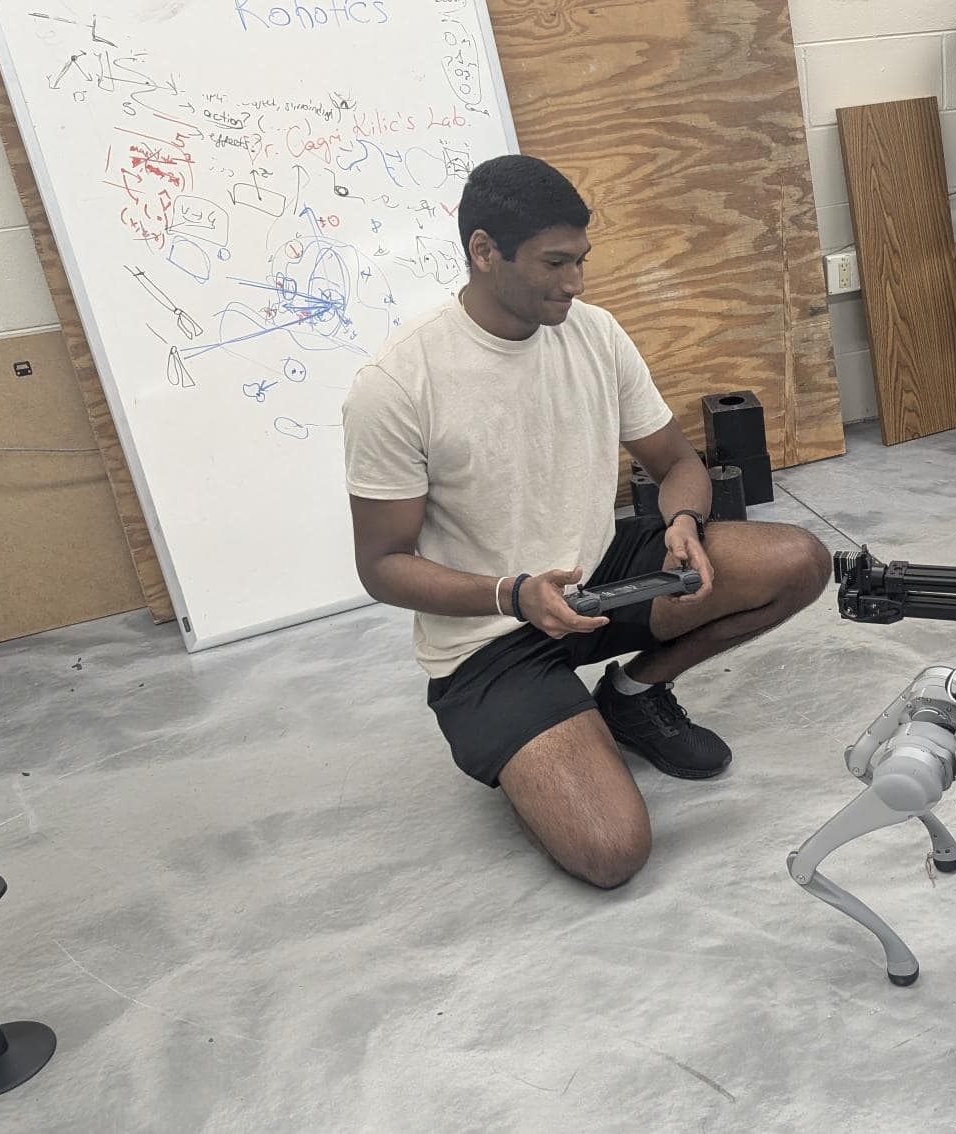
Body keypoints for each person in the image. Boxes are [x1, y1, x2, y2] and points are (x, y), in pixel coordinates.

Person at [341, 154, 831, 890]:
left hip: (602, 576)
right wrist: (512, 593)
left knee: (797, 560)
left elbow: (677, 464)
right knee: (612, 852)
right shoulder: (398, 384)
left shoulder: (595, 334)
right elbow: (381, 567)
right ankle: (543, 733)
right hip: (492, 634)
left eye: (582, 261)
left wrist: (685, 523)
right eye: (555, 262)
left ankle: (631, 698)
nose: (575, 282)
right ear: (483, 251)